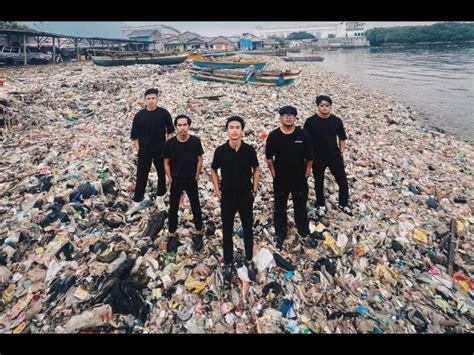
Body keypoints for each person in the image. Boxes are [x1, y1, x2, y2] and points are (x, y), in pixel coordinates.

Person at [211, 116, 260, 287]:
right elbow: (213, 170)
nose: (234, 130)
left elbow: (256, 168)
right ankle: (229, 262)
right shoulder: (221, 151)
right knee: (227, 229)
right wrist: (217, 190)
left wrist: (254, 188)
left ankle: (248, 259)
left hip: (245, 194)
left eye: (237, 127)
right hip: (228, 195)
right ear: (227, 130)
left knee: (248, 228)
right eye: (231, 127)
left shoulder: (249, 150)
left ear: (242, 130)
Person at [265, 106, 313, 249]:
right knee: (280, 206)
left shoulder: (303, 135)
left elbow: (310, 156)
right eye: (285, 115)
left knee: (301, 206)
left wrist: (307, 172)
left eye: (291, 115)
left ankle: (303, 231)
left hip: (299, 177)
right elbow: (268, 157)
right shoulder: (274, 135)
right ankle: (281, 233)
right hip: (281, 178)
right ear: (280, 118)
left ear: (295, 118)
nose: (288, 117)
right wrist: (273, 173)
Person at [303, 95, 352, 217]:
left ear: (330, 106)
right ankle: (320, 204)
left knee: (342, 181)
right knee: (319, 181)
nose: (324, 108)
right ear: (318, 106)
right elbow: (306, 140)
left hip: (334, 155)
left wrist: (341, 151)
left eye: (327, 106)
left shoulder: (336, 121)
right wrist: (307, 156)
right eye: (322, 105)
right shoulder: (310, 121)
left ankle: (343, 203)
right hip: (317, 156)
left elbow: (342, 137)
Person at [162, 115, 204, 253]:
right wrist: (170, 178)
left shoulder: (195, 141)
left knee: (195, 206)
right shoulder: (170, 144)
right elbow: (166, 162)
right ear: (176, 127)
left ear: (189, 126)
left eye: (185, 125)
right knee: (173, 208)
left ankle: (199, 233)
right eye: (179, 125)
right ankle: (172, 235)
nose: (182, 128)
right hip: (176, 180)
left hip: (191, 179)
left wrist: (197, 175)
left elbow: (199, 159)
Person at [129, 88, 174, 214]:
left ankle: (160, 198)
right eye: (148, 98)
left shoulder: (164, 113)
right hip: (144, 151)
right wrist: (139, 150)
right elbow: (135, 136)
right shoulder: (139, 116)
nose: (151, 101)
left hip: (160, 150)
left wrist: (167, 146)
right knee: (141, 176)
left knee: (161, 174)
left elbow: (170, 131)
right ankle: (137, 202)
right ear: (144, 100)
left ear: (157, 99)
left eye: (153, 98)